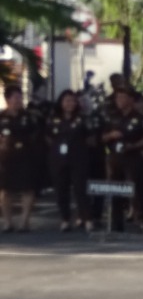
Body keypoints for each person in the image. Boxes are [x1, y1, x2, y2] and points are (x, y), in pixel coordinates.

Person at [102, 85, 143, 234]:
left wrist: (133, 145)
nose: (120, 101)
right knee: (115, 190)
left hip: (133, 158)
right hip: (115, 158)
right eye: (118, 98)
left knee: (136, 191)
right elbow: (101, 137)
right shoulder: (112, 117)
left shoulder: (141, 117)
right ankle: (116, 223)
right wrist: (111, 135)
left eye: (123, 98)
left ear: (131, 100)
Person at [46, 89, 97, 233]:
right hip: (58, 159)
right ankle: (65, 219)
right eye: (67, 100)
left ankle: (87, 219)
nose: (70, 103)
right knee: (61, 190)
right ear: (61, 102)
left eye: (73, 101)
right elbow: (48, 137)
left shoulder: (83, 119)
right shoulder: (53, 119)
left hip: (78, 158)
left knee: (81, 189)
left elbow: (91, 138)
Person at [0, 85, 42, 232]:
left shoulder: (29, 116)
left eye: (20, 97)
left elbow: (37, 134)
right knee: (6, 190)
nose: (18, 101)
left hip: (26, 156)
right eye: (15, 98)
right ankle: (8, 222)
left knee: (28, 189)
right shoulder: (1, 117)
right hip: (6, 157)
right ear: (8, 99)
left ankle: (25, 222)